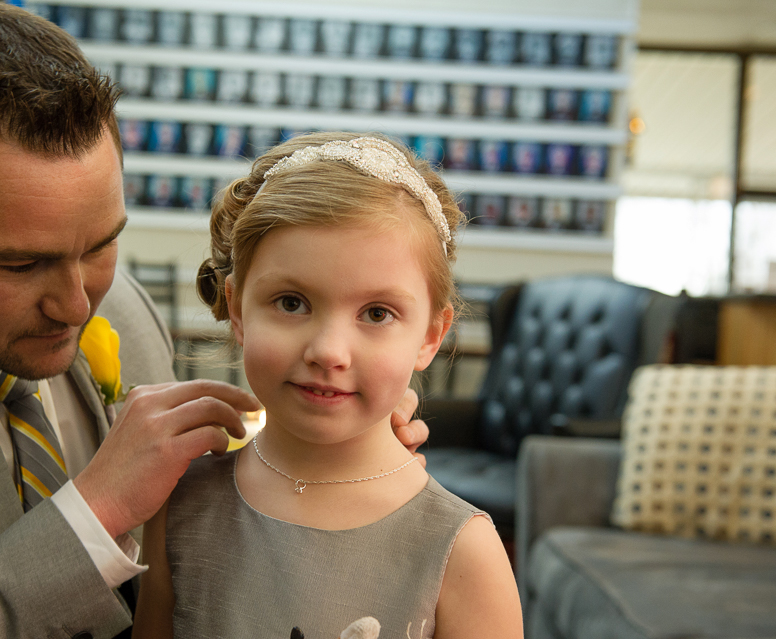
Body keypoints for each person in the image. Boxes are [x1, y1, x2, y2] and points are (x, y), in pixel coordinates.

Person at [0, 5, 429, 638]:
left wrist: (322, 442)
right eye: (23, 264)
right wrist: (94, 514)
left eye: (100, 246)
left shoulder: (127, 310)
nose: (79, 306)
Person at [132, 133, 523, 638]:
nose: (329, 351)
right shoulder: (180, 505)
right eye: (292, 303)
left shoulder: (464, 550)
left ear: (430, 336)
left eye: (376, 313)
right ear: (237, 310)